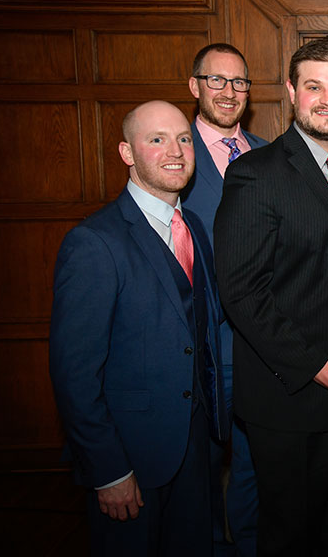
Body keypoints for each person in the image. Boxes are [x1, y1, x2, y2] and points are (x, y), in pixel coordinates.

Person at [213, 38, 328, 556]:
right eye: (314, 86)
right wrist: (313, 363)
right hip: (292, 396)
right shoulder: (256, 174)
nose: (327, 98)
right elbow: (240, 290)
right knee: (292, 537)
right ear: (292, 93)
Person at [49, 100, 227, 557]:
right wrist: (107, 470)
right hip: (131, 458)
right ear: (127, 153)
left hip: (195, 449)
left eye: (184, 139)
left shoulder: (196, 233)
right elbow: (75, 374)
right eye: (157, 139)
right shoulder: (95, 242)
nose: (176, 151)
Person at [183, 42, 267, 557]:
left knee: (257, 468)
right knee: (200, 470)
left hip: (261, 346)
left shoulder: (268, 152)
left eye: (238, 82)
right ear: (195, 86)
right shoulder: (175, 153)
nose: (229, 92)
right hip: (201, 346)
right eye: (217, 80)